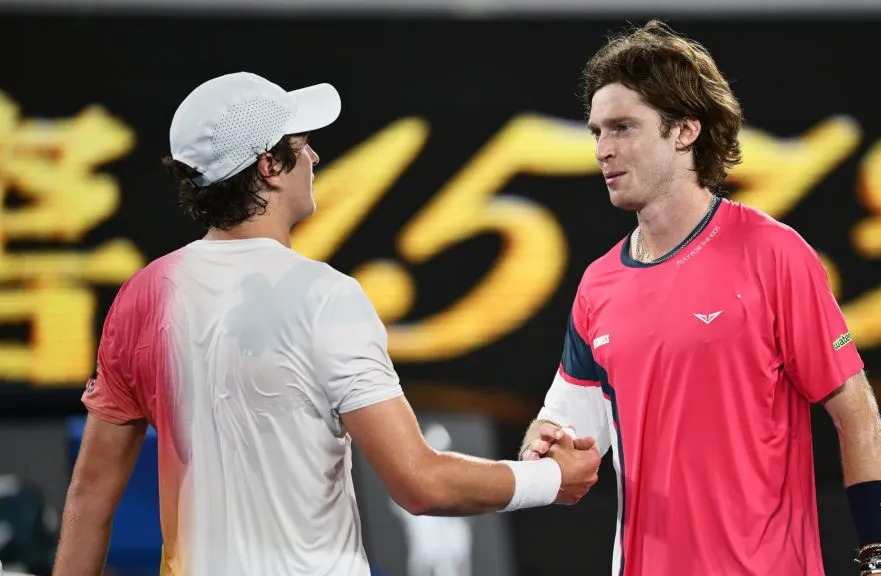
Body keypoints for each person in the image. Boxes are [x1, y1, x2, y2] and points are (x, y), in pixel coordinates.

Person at [51, 71, 601, 576]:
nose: (313, 156)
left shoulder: (142, 297)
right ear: (268, 165)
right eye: (300, 146)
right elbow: (420, 484)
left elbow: (90, 496)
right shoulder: (325, 297)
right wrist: (551, 480)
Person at [519, 20, 881, 576]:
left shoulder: (774, 253)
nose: (603, 149)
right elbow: (568, 438)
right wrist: (544, 446)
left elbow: (856, 412)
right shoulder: (597, 284)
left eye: (623, 127)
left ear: (685, 131)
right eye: (597, 131)